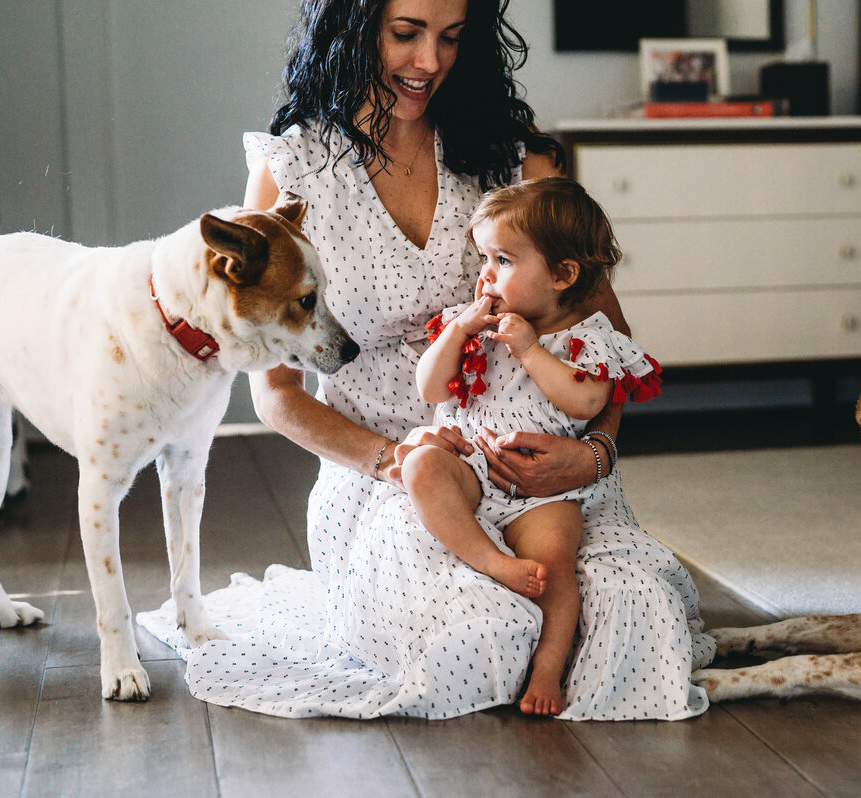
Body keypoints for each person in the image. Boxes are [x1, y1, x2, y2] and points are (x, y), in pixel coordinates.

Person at [138, 0, 714, 720]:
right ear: (352, 29)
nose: (430, 63)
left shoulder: (517, 157)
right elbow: (275, 393)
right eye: (405, 34)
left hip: (544, 477)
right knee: (487, 633)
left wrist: (592, 455)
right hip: (387, 474)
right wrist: (394, 457)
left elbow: (609, 345)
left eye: (450, 38)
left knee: (633, 618)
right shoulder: (296, 170)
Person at [399, 178, 663, 714]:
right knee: (423, 468)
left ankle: (547, 668)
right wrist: (457, 332)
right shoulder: (473, 325)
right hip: (473, 466)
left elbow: (586, 402)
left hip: (546, 493)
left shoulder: (584, 338)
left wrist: (528, 349)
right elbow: (429, 388)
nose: (485, 275)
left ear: (562, 275)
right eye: (484, 258)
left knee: (555, 566)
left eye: (503, 260)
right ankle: (490, 561)